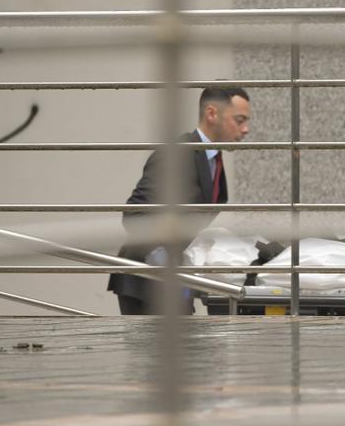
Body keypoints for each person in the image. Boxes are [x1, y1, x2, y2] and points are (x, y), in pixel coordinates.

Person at [107, 86, 251, 315]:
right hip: (145, 282)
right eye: (239, 120)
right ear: (212, 114)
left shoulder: (212, 159)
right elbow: (135, 215)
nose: (246, 129)